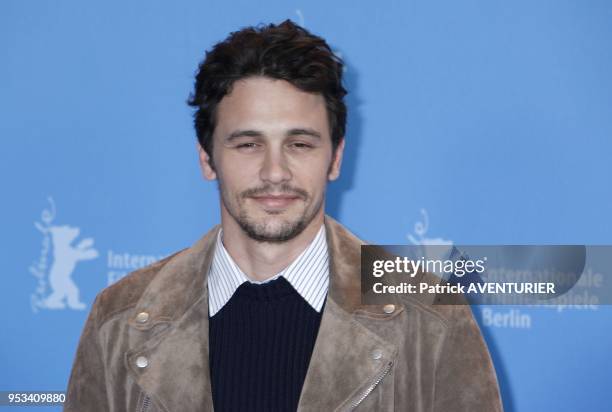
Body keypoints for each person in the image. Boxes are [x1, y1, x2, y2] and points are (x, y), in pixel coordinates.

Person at [64, 19, 502, 411]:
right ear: (207, 158)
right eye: (248, 144)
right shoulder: (119, 319)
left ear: (335, 159)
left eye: (300, 144)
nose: (275, 173)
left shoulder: (430, 316)